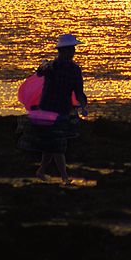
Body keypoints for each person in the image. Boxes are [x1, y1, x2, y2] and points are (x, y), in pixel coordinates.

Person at [26, 34, 89, 184]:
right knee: (58, 143)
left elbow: (79, 91)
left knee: (52, 142)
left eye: (73, 49)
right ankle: (65, 177)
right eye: (71, 49)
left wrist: (83, 106)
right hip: (49, 110)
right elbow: (40, 72)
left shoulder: (74, 69)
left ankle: (41, 171)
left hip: (60, 109)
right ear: (64, 51)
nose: (73, 51)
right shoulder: (51, 66)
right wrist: (42, 66)